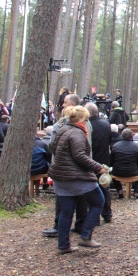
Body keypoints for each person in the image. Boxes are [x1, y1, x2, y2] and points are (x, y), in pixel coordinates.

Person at [48, 105, 106, 254]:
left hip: (60, 177)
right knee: (98, 202)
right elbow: (80, 156)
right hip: (76, 176)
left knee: (66, 212)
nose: (87, 123)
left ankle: (63, 245)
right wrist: (98, 167)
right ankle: (85, 235)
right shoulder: (77, 133)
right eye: (86, 120)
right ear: (81, 120)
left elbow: (52, 147)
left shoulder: (61, 130)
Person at [85, 102, 113, 223]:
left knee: (90, 189)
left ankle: (94, 217)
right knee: (104, 187)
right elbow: (110, 142)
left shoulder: (86, 125)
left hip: (89, 161)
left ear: (89, 113)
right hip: (103, 160)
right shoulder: (106, 124)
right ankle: (107, 213)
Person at [110, 128, 138, 198]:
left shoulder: (115, 146)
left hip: (118, 171)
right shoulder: (137, 146)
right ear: (132, 136)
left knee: (112, 172)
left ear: (121, 136)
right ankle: (136, 192)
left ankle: (119, 190)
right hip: (132, 170)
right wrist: (135, 167)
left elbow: (111, 160)